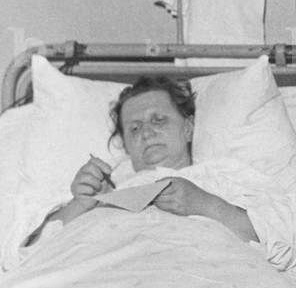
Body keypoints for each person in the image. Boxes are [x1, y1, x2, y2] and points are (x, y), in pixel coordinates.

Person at [48, 76, 258, 243]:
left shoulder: (222, 176)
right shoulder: (109, 191)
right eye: (135, 128)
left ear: (188, 128)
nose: (147, 133)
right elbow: (32, 255)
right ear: (126, 145)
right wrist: (81, 204)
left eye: (159, 120)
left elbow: (278, 238)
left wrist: (206, 205)